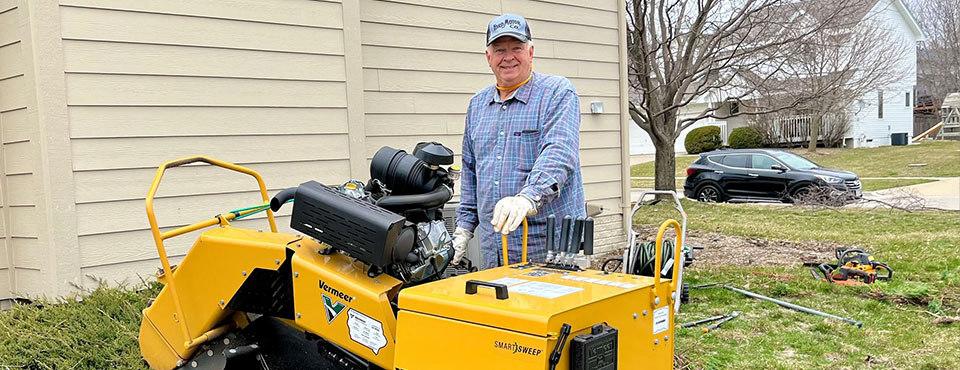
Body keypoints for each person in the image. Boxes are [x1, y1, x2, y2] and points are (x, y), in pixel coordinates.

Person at [451, 14, 585, 270]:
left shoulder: (557, 92)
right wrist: (463, 230)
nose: (508, 56)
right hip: (495, 247)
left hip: (549, 247)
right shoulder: (477, 105)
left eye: (517, 48)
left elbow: (559, 153)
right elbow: (470, 172)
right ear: (488, 57)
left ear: (531, 52)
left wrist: (527, 199)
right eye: (500, 49)